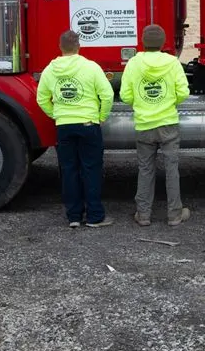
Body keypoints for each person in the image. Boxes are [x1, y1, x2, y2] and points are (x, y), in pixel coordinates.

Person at [37, 29, 114, 227]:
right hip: (88, 124)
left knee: (69, 170)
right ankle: (95, 216)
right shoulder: (91, 67)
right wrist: (101, 116)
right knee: (91, 169)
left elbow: (41, 98)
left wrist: (56, 114)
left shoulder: (50, 70)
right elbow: (107, 95)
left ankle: (73, 217)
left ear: (60, 47)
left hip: (64, 126)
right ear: (79, 46)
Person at [120, 23, 191, 226]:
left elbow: (125, 96)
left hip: (144, 124)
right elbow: (184, 92)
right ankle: (174, 214)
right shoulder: (172, 62)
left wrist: (140, 103)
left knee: (145, 170)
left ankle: (143, 214)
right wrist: (169, 102)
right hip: (168, 123)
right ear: (162, 43)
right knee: (172, 169)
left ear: (143, 42)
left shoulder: (134, 63)